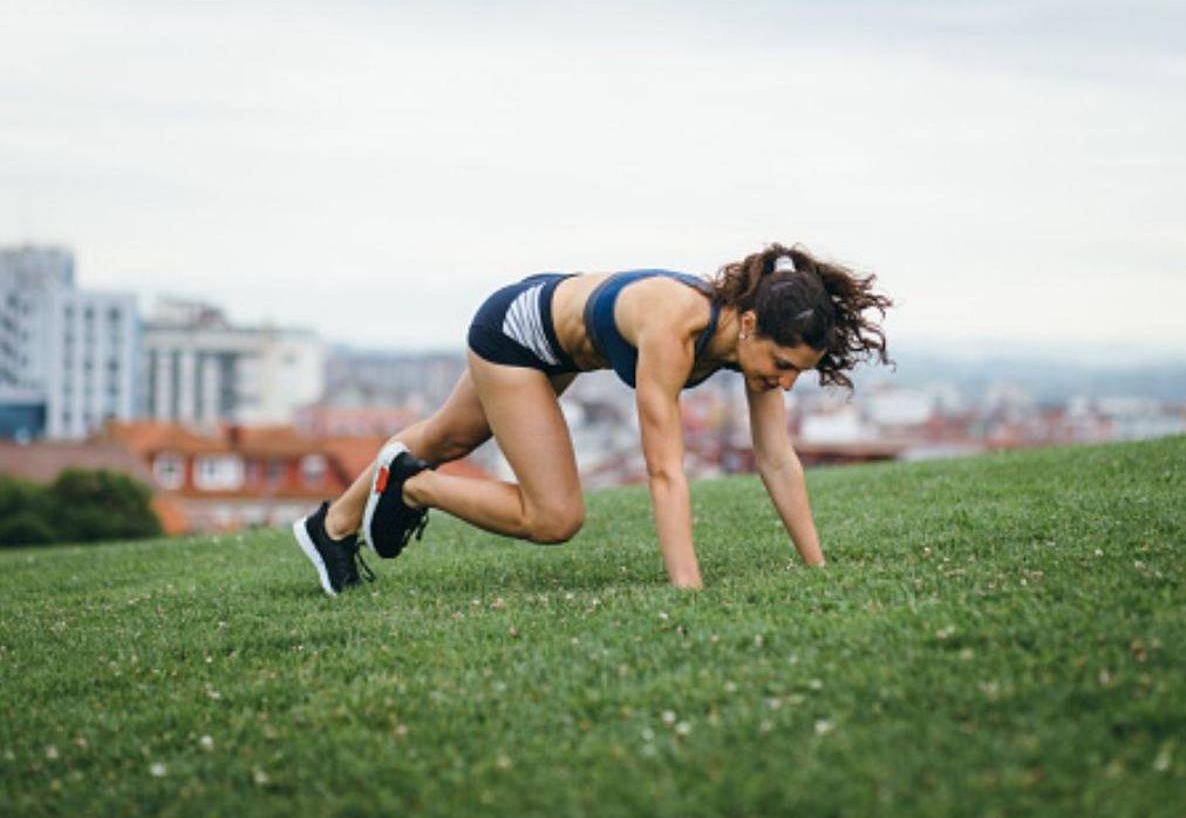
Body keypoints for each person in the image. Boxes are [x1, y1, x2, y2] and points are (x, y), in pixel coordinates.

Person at [292, 243, 892, 595]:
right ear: (754, 325)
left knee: (445, 435)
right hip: (516, 332)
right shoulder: (677, 325)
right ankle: (414, 485)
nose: (784, 382)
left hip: (549, 333)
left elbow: (777, 459)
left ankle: (332, 529)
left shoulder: (752, 345)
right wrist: (689, 588)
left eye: (797, 374)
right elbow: (664, 472)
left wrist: (818, 569)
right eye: (783, 365)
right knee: (555, 516)